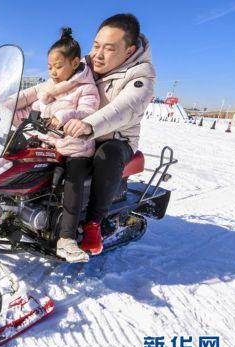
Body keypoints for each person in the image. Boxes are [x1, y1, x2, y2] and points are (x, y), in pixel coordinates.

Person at [60, 13, 156, 255]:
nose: (98, 54)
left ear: (128, 50)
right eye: (96, 45)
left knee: (107, 154)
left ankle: (93, 223)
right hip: (81, 136)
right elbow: (54, 86)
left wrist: (89, 125)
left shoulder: (141, 75)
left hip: (117, 139)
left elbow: (124, 108)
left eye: (109, 49)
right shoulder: (85, 66)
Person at [13, 28, 100, 263]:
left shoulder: (86, 87)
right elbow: (33, 113)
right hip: (50, 144)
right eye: (50, 67)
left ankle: (66, 238)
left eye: (58, 66)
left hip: (76, 148)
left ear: (74, 63)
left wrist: (64, 118)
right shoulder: (49, 89)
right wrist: (7, 115)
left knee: (72, 182)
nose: (53, 71)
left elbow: (88, 112)